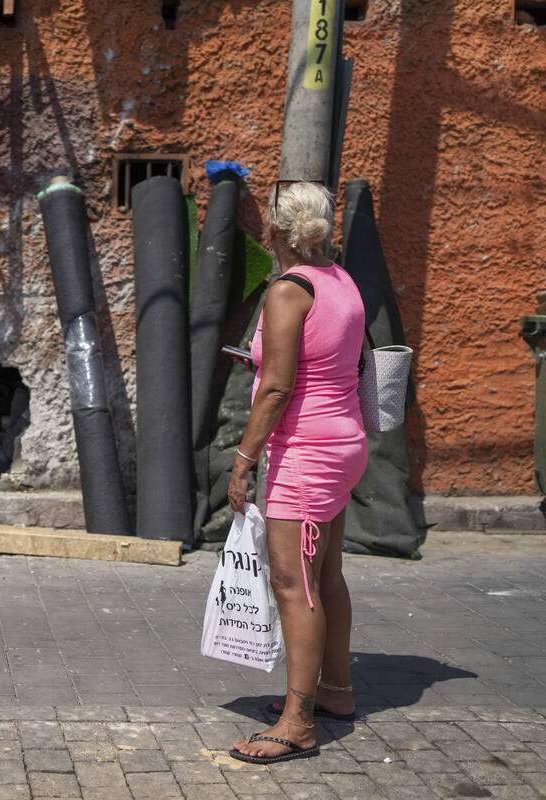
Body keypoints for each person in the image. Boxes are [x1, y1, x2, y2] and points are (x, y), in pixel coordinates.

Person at [226, 181, 367, 763]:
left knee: (295, 585)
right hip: (344, 442)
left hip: (304, 454)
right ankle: (335, 690)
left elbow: (279, 387)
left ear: (275, 232)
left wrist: (242, 461)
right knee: (325, 575)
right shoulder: (341, 279)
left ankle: (297, 723)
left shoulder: (289, 291)